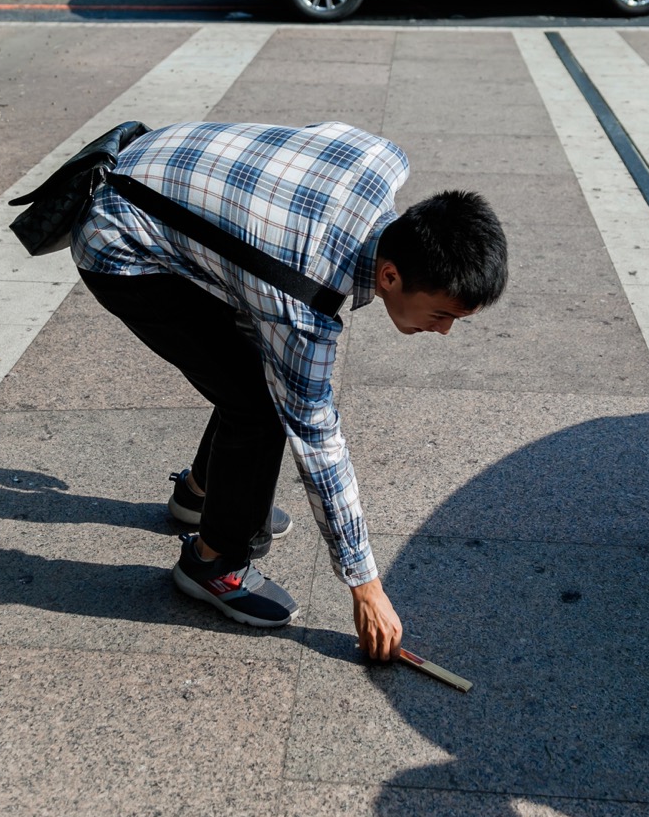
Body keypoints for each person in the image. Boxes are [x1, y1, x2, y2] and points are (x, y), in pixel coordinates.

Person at [72, 121, 508, 662]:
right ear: (390, 275)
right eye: (441, 314)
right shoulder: (302, 305)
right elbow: (318, 443)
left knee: (251, 375)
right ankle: (212, 563)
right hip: (121, 244)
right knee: (260, 406)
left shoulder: (380, 157)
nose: (443, 331)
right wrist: (365, 585)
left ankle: (200, 496)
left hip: (157, 173)